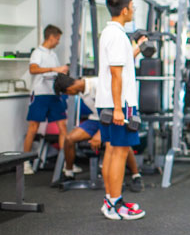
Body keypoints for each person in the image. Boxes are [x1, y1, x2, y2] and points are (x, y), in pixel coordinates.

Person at [95, 0, 145, 220]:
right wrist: (118, 109)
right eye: (133, 6)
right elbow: (116, 75)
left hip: (110, 101)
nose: (133, 10)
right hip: (120, 104)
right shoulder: (116, 35)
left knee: (112, 150)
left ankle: (110, 200)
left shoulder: (111, 33)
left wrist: (138, 48)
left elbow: (120, 66)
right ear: (124, 9)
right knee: (120, 153)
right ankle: (115, 203)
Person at [53, 73, 144, 192]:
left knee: (122, 143)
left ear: (70, 88)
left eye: (67, 93)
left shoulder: (98, 85)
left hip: (112, 117)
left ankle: (136, 176)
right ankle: (69, 173)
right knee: (69, 139)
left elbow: (111, 108)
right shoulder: (81, 90)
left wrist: (99, 134)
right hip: (96, 119)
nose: (69, 95)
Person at [23, 24, 70, 175]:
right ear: (51, 37)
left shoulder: (53, 54)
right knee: (33, 128)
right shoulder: (38, 53)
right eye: (57, 39)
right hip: (40, 94)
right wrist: (53, 69)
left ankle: (65, 164)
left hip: (53, 95)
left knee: (63, 127)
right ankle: (25, 163)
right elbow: (33, 69)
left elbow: (57, 74)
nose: (58, 42)